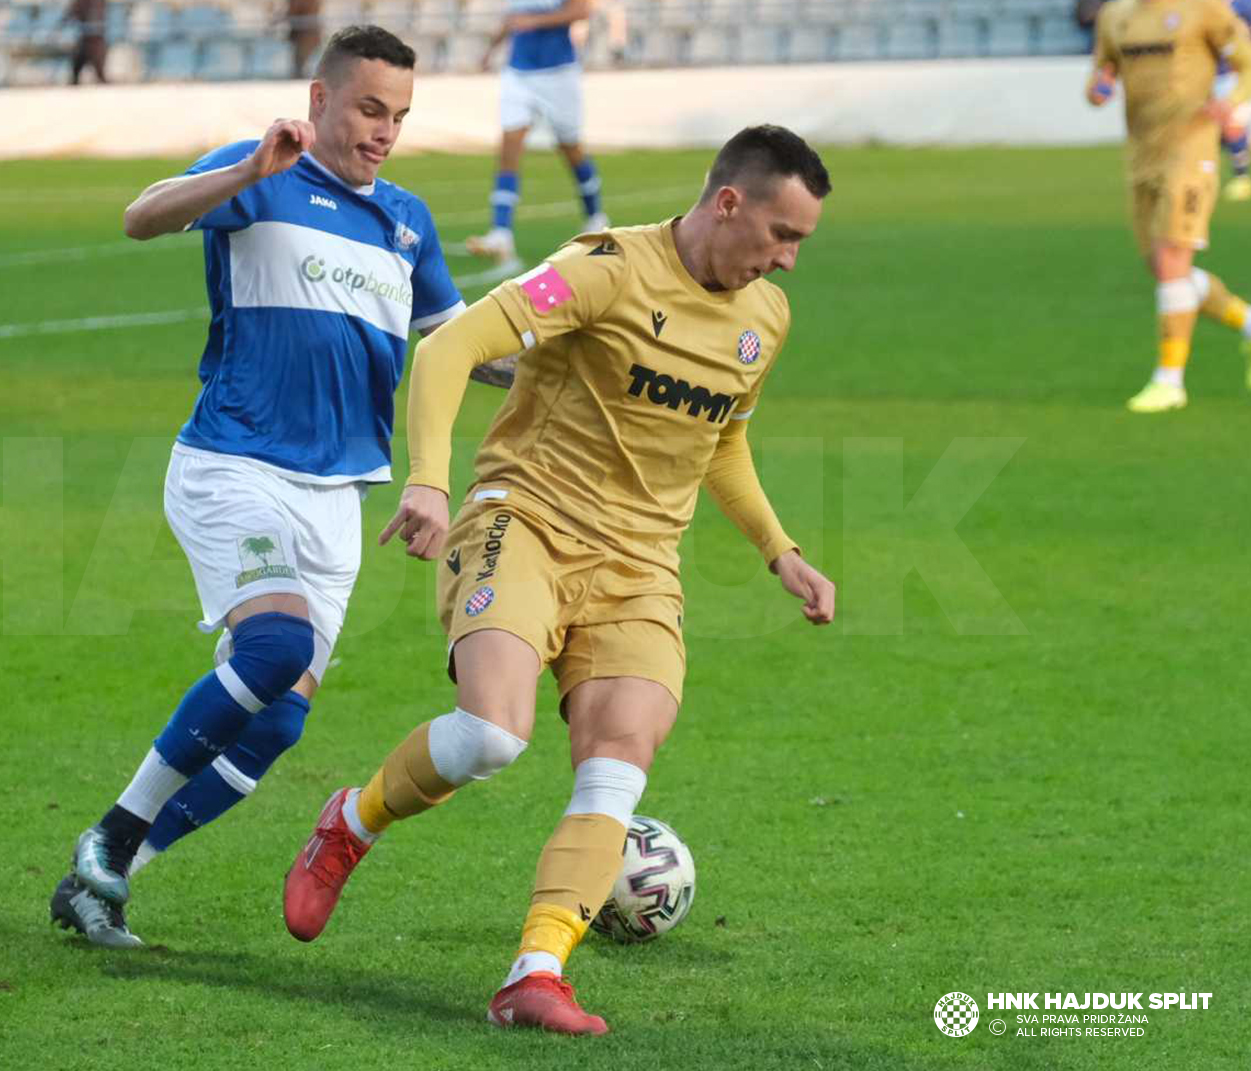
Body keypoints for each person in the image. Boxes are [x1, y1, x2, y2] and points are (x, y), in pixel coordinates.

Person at [283, 125, 837, 1035]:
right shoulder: (605, 269)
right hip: (525, 521)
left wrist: (780, 549)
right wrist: (427, 479)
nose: (788, 259)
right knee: (492, 737)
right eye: (783, 235)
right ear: (729, 202)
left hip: (641, 565)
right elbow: (449, 348)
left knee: (616, 767)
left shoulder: (763, 318)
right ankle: (351, 818)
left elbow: (721, 438)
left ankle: (536, 971)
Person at [49, 25, 505, 948]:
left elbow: (459, 346)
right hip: (235, 466)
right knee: (272, 649)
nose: (384, 130)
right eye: (370, 108)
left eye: (400, 115)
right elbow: (142, 215)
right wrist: (245, 171)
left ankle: (107, 876)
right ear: (321, 98)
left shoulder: (407, 222)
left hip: (338, 501)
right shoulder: (264, 172)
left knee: (276, 725)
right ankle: (115, 828)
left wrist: (576, 354)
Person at [1088, 0, 1251, 411]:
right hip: (1142, 156)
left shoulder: (1205, 9)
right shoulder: (1115, 15)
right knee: (1164, 269)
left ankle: (1170, 382)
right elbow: (1103, 69)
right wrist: (1099, 86)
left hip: (1191, 151)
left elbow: (1249, 65)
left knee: (1172, 261)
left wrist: (1231, 100)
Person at [465, 0, 607, 270]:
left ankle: (595, 216)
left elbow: (582, 10)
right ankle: (501, 232)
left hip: (558, 74)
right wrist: (490, 50)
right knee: (509, 145)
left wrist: (534, 21)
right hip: (517, 72)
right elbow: (511, 19)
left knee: (570, 148)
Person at [1219, 0, 1251, 199]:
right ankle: (1246, 144)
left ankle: (1242, 179)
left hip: (1237, 75)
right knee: (1223, 133)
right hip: (1208, 76)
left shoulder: (1246, 5)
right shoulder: (1198, 6)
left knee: (1231, 125)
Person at [65, 0, 107, 85]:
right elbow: (71, 14)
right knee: (76, 73)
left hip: (95, 40)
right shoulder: (81, 3)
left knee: (99, 74)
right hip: (85, 40)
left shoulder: (98, 3)